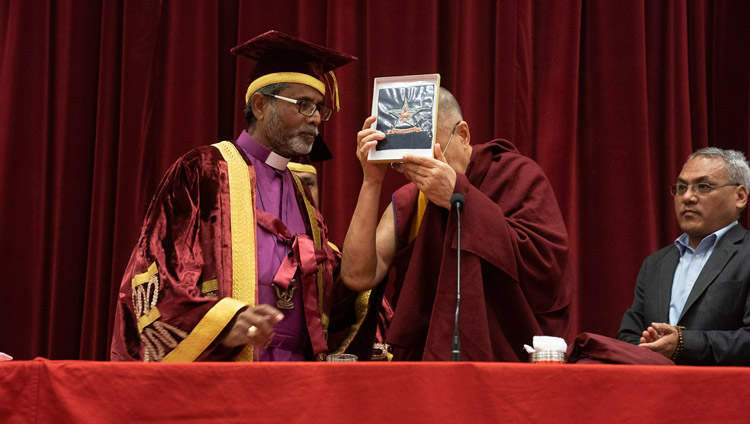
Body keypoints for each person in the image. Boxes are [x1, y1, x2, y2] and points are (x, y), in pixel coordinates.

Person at [111, 30, 372, 362]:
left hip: (299, 381)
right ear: (261, 105)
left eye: (320, 108)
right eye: (304, 105)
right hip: (228, 371)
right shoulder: (202, 170)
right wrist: (220, 322)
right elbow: (155, 270)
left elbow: (331, 288)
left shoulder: (302, 193)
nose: (316, 118)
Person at [341, 88, 571, 361]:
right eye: (404, 165)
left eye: (426, 157)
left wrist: (461, 198)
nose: (417, 173)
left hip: (505, 362)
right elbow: (358, 276)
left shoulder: (516, 175)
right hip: (426, 365)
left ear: (462, 135)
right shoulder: (411, 200)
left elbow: (545, 265)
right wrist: (372, 181)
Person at [617, 147, 750, 366]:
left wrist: (683, 344)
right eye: (681, 188)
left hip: (726, 394)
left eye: (703, 187)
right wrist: (650, 347)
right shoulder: (656, 264)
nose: (687, 197)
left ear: (740, 196)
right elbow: (627, 336)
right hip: (657, 392)